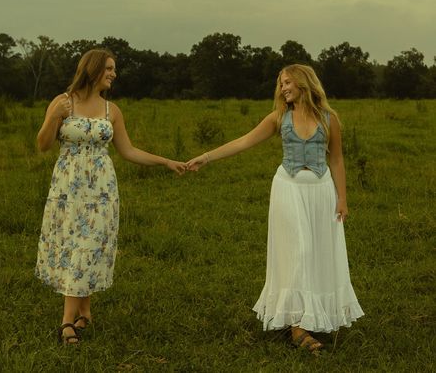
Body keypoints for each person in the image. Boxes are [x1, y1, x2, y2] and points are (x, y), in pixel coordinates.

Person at [187, 64, 364, 354]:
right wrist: (206, 158)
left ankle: (312, 314)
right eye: (280, 84)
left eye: (287, 82)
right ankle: (297, 326)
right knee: (299, 250)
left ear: (303, 83)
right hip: (288, 189)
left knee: (318, 251)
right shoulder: (279, 117)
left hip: (321, 191)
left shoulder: (329, 119)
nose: (282, 88)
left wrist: (342, 198)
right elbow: (244, 141)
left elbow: (337, 160)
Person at [35, 48, 187, 345]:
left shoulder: (111, 111)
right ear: (92, 70)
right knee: (75, 244)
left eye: (114, 69)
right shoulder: (62, 102)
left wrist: (166, 162)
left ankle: (83, 312)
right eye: (109, 68)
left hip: (102, 189)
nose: (113, 74)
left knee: (90, 244)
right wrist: (53, 117)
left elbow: (128, 151)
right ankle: (69, 321)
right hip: (68, 188)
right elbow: (42, 145)